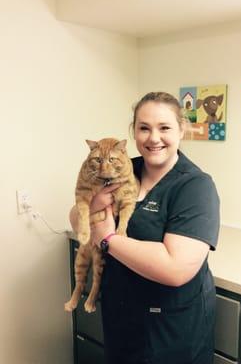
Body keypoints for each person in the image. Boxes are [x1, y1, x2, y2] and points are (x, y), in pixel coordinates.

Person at [70, 92, 220, 364]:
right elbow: (75, 219)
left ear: (181, 130)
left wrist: (107, 238)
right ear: (133, 132)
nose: (154, 138)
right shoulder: (121, 168)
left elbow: (176, 268)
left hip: (171, 329)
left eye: (164, 127)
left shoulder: (196, 187)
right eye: (144, 128)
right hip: (121, 316)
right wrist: (92, 207)